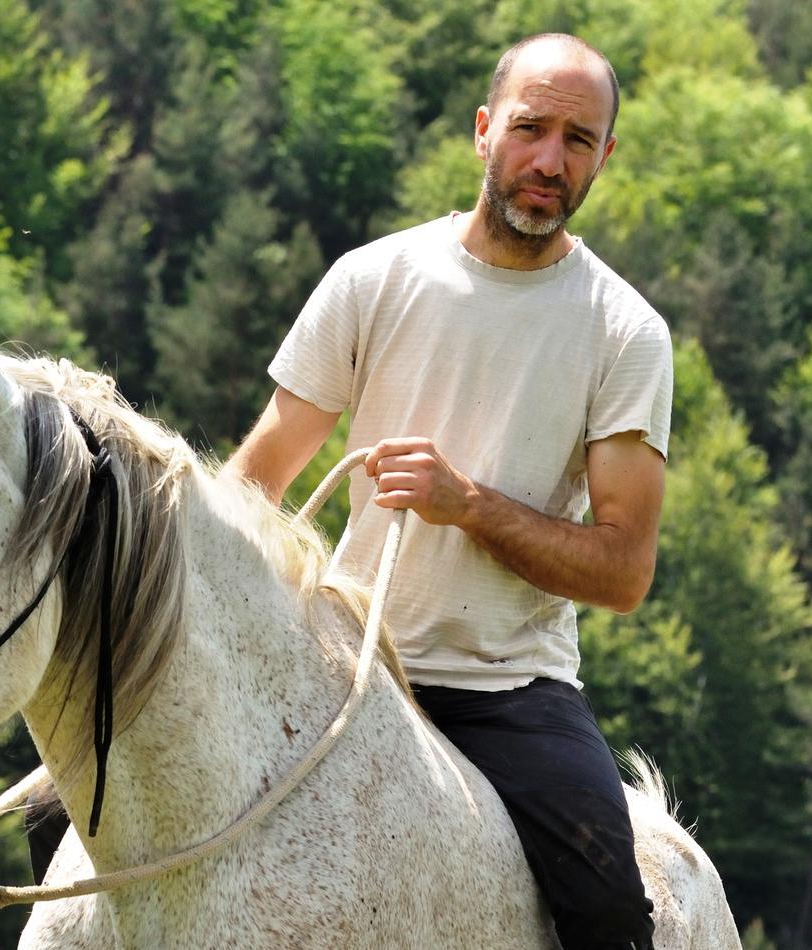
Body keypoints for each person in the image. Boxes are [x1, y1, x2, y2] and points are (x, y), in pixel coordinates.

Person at [222, 33, 668, 950]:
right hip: (342, 660)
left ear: (606, 157)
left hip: (510, 690)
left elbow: (624, 572)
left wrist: (469, 504)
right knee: (80, 816)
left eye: (578, 140)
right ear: (482, 130)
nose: (549, 160)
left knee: (612, 913)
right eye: (530, 128)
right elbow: (253, 488)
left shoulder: (624, 332)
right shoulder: (373, 278)